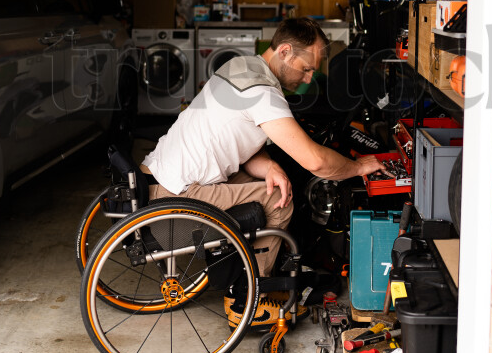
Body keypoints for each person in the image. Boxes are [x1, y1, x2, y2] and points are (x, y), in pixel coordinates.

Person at [139, 17, 387, 326]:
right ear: (284, 51)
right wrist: (359, 167)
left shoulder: (241, 66)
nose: (309, 79)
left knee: (271, 179)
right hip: (176, 198)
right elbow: (316, 162)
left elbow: (239, 142)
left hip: (158, 177)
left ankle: (259, 273)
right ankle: (249, 297)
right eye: (307, 68)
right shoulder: (264, 93)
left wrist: (269, 165)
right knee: (279, 198)